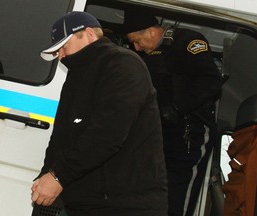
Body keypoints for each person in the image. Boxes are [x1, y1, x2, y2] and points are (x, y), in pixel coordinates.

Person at [31, 11, 168, 216]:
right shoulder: (77, 76)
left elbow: (106, 135)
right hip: (86, 202)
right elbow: (61, 137)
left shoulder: (124, 65)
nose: (60, 56)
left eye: (63, 47)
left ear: (88, 34)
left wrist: (58, 177)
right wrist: (45, 175)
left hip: (125, 205)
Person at [123, 12, 222, 216]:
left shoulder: (187, 42)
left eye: (137, 41)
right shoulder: (146, 56)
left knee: (177, 198)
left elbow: (211, 80)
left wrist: (178, 108)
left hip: (190, 135)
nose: (136, 48)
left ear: (151, 31)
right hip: (159, 137)